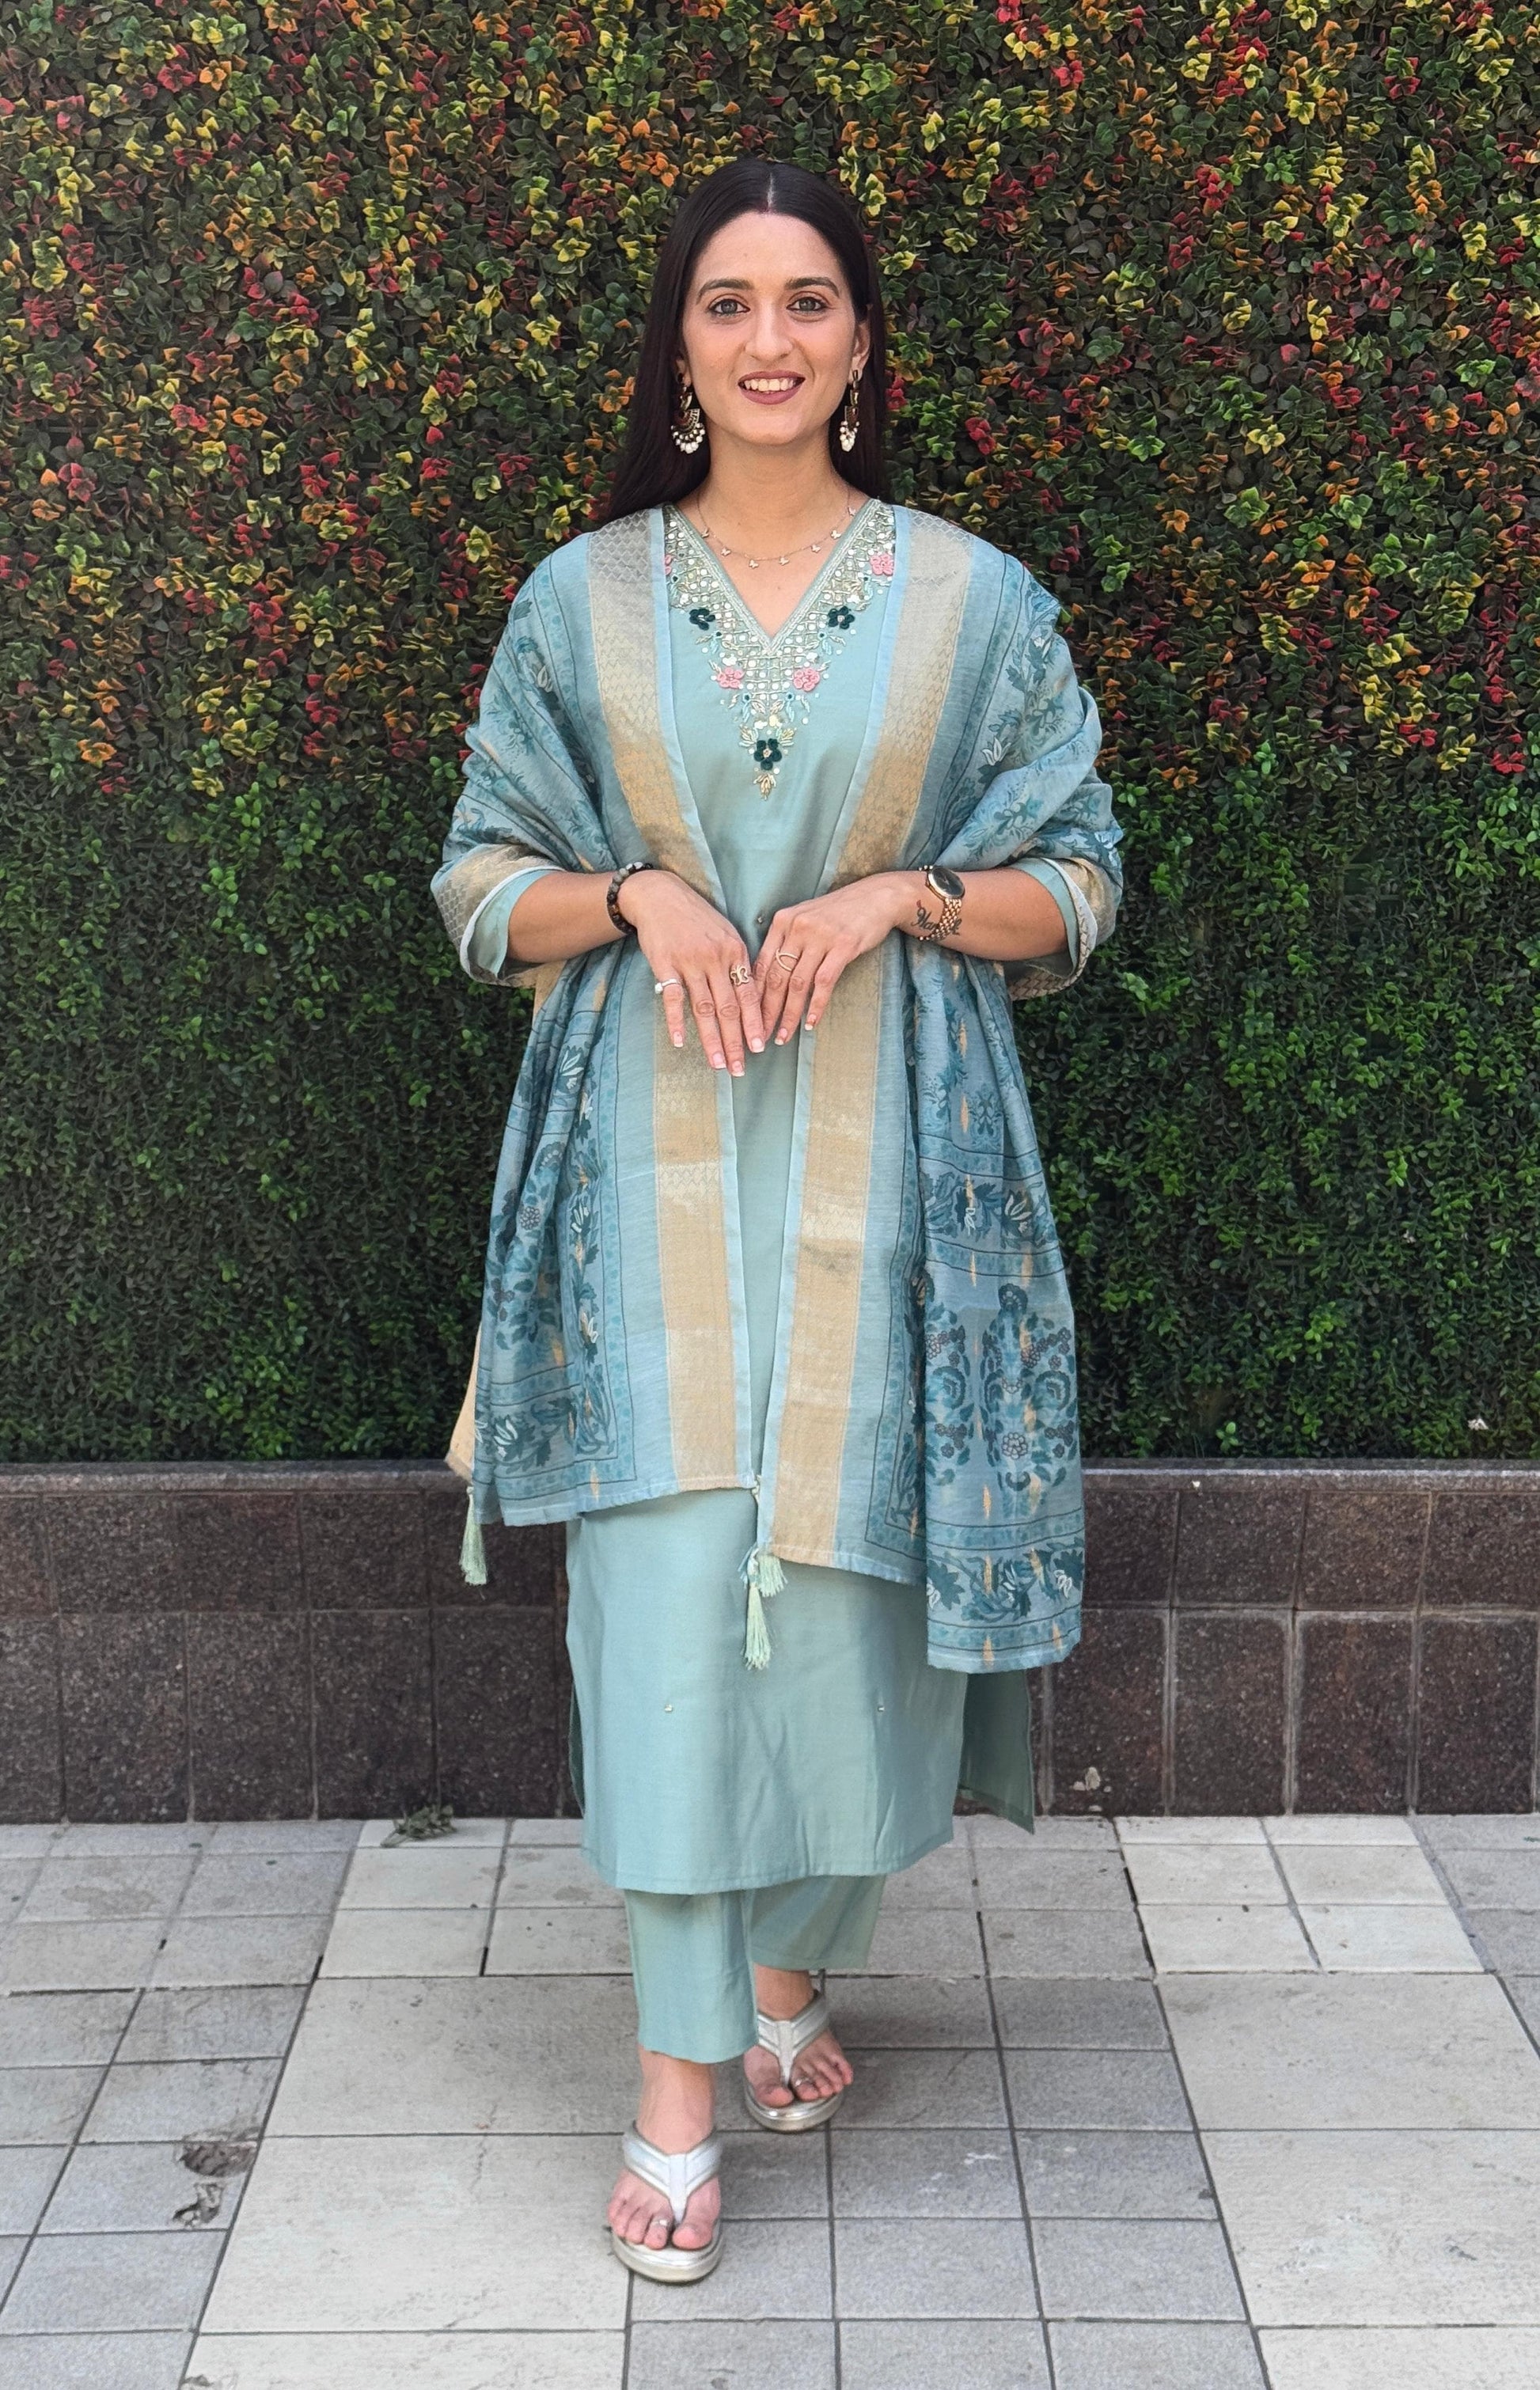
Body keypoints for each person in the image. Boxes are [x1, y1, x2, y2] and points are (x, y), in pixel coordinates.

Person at [432, 157, 1123, 2283]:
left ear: (860, 341)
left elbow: (1077, 878)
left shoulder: (972, 606)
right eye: (726, 301)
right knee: (661, 1625)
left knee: (845, 1621)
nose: (767, 338)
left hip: (888, 1184)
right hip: (638, 1194)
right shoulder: (580, 602)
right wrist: (635, 893)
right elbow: (479, 880)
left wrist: (901, 893)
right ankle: (675, 2094)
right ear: (678, 345)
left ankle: (790, 1966)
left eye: (806, 299)